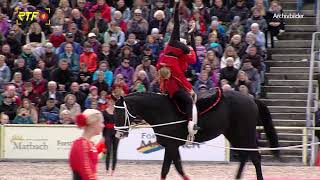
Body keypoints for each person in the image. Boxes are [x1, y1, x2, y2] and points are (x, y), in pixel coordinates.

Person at [156, 0, 199, 140]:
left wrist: (175, 9)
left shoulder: (167, 56)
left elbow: (176, 24)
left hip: (172, 85)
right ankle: (190, 124)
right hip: (175, 87)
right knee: (188, 101)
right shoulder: (173, 60)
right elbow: (181, 76)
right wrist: (190, 89)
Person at [69, 109, 104, 180]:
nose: (103, 125)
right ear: (94, 123)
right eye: (101, 122)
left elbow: (92, 154)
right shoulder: (81, 144)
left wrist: (105, 140)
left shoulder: (87, 143)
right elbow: (86, 171)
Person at [102, 94, 119, 176]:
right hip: (107, 132)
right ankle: (107, 169)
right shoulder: (104, 112)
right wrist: (103, 136)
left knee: (115, 151)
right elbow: (103, 125)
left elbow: (120, 123)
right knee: (108, 151)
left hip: (116, 132)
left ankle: (113, 170)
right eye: (109, 101)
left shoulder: (118, 111)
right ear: (108, 102)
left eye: (112, 101)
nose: (111, 102)